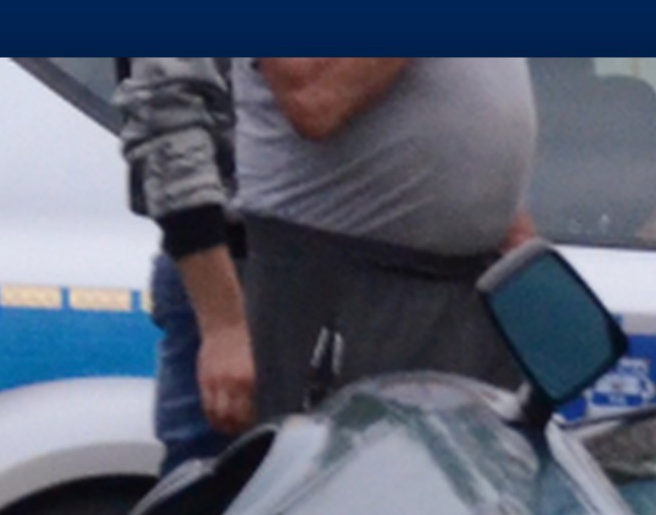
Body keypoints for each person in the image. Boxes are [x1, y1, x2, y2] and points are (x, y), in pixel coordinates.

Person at [226, 57, 541, 416]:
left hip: (472, 287)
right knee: (351, 469)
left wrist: (510, 228)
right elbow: (312, 98)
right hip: (342, 277)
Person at [114, 56, 244, 463]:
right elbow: (166, 118)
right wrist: (224, 325)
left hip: (371, 270)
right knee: (215, 501)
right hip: (234, 262)